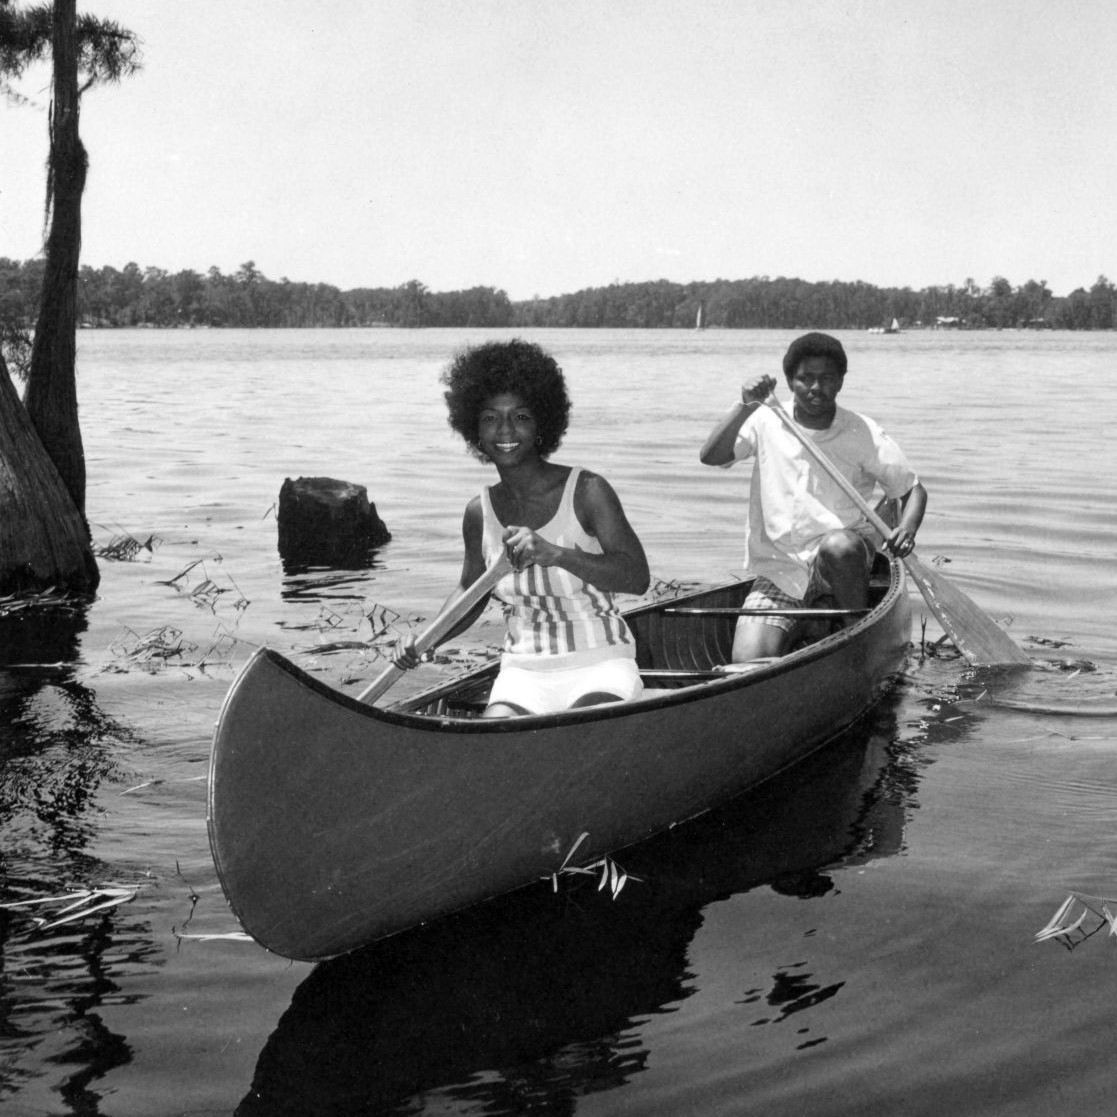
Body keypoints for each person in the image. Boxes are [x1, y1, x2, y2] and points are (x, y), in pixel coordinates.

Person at [393, 338, 650, 717]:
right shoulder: (479, 512)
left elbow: (636, 577)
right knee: (494, 737)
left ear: (542, 423)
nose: (505, 430)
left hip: (601, 663)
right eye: (490, 418)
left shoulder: (587, 490)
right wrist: (426, 639)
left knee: (578, 726)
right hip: (523, 672)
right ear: (475, 431)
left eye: (520, 416)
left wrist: (557, 554)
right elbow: (471, 592)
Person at [699, 331, 927, 662]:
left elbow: (912, 490)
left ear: (840, 382)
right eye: (805, 378)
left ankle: (855, 633)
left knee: (839, 546)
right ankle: (820, 621)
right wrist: (744, 405)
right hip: (781, 567)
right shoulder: (766, 418)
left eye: (826, 379)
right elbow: (711, 456)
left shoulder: (861, 431)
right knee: (746, 663)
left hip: (842, 564)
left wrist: (907, 529)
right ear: (790, 382)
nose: (816, 388)